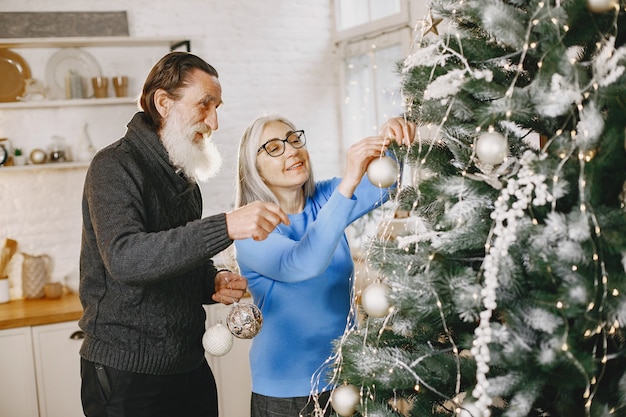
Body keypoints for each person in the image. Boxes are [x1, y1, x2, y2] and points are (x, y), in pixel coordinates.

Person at [78, 52, 290, 417]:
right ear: (164, 103)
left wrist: (212, 279)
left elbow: (175, 258)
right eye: (205, 105)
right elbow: (127, 259)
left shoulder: (183, 175)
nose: (215, 122)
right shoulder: (113, 166)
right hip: (128, 374)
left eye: (217, 107)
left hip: (188, 365)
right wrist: (225, 225)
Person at [233, 114, 415, 417]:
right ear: (255, 169)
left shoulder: (327, 198)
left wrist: (394, 135)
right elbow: (303, 263)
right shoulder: (251, 227)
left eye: (294, 140)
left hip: (348, 378)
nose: (292, 150)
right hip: (287, 394)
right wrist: (350, 179)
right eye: (275, 148)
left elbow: (386, 182)